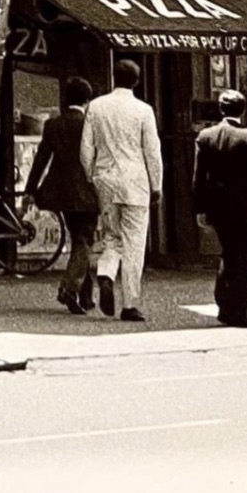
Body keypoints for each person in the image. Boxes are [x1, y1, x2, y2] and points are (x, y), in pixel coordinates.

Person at [79, 59, 164, 322]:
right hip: (135, 182)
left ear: (114, 76)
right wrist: (156, 185)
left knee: (111, 236)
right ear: (137, 81)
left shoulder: (96, 106)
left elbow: (86, 148)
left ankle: (106, 273)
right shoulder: (143, 110)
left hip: (105, 179)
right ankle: (130, 303)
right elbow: (152, 150)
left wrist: (92, 176)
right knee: (134, 243)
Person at [193, 90, 247, 328]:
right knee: (243, 258)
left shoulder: (206, 136)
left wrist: (200, 208)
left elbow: (199, 177)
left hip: (218, 207)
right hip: (245, 208)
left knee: (228, 252)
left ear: (221, 110)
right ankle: (238, 310)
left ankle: (223, 303)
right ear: (242, 110)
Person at [26, 77, 100, 314]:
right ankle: (69, 288)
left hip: (62, 192)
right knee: (85, 240)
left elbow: (41, 159)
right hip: (89, 190)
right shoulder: (91, 125)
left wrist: (31, 189)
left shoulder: (53, 125)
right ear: (87, 100)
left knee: (78, 237)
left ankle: (86, 296)